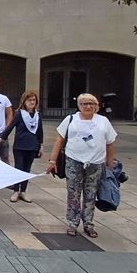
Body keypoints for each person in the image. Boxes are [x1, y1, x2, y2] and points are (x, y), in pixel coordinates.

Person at [46, 93, 116, 238]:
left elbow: (110, 144)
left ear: (96, 106)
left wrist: (110, 164)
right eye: (84, 103)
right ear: (79, 106)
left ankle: (88, 223)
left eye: (91, 103)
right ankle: (72, 223)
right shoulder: (71, 119)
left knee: (91, 194)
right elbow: (59, 140)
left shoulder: (103, 121)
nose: (88, 106)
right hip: (73, 162)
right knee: (73, 194)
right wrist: (52, 161)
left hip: (95, 164)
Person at [0, 91, 43, 203]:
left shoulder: (38, 115)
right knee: (19, 168)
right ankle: (15, 191)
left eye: (34, 100)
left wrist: (41, 146)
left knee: (27, 169)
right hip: (20, 146)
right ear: (24, 101)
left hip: (32, 147)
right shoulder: (19, 114)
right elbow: (9, 128)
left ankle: (23, 191)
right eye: (29, 100)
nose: (32, 102)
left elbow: (40, 132)